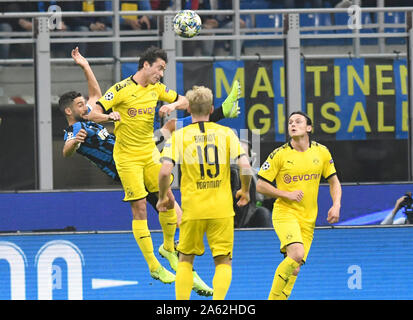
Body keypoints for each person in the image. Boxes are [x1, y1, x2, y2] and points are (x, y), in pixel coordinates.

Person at [86, 46, 239, 291]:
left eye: (164, 70)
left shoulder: (158, 89)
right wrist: (109, 117)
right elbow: (93, 112)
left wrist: (172, 106)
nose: (161, 74)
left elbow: (185, 100)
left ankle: (168, 247)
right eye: (159, 68)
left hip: (150, 153)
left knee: (167, 199)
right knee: (139, 210)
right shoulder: (121, 89)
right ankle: (155, 267)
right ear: (146, 65)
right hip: (127, 159)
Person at [157, 85, 252, 300]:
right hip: (222, 209)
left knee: (185, 260)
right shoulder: (226, 133)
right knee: (223, 262)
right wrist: (244, 191)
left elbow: (164, 172)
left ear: (188, 109)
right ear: (211, 109)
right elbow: (245, 166)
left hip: (193, 210)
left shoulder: (180, 136)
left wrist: (163, 197)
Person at [256, 111, 342, 300]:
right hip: (285, 213)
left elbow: (334, 181)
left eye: (298, 121)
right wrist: (286, 194)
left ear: (309, 128)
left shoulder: (321, 152)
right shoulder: (279, 154)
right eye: (290, 122)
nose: (293, 124)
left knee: (294, 269)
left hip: (308, 218)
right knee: (296, 253)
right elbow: (260, 184)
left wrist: (336, 205)